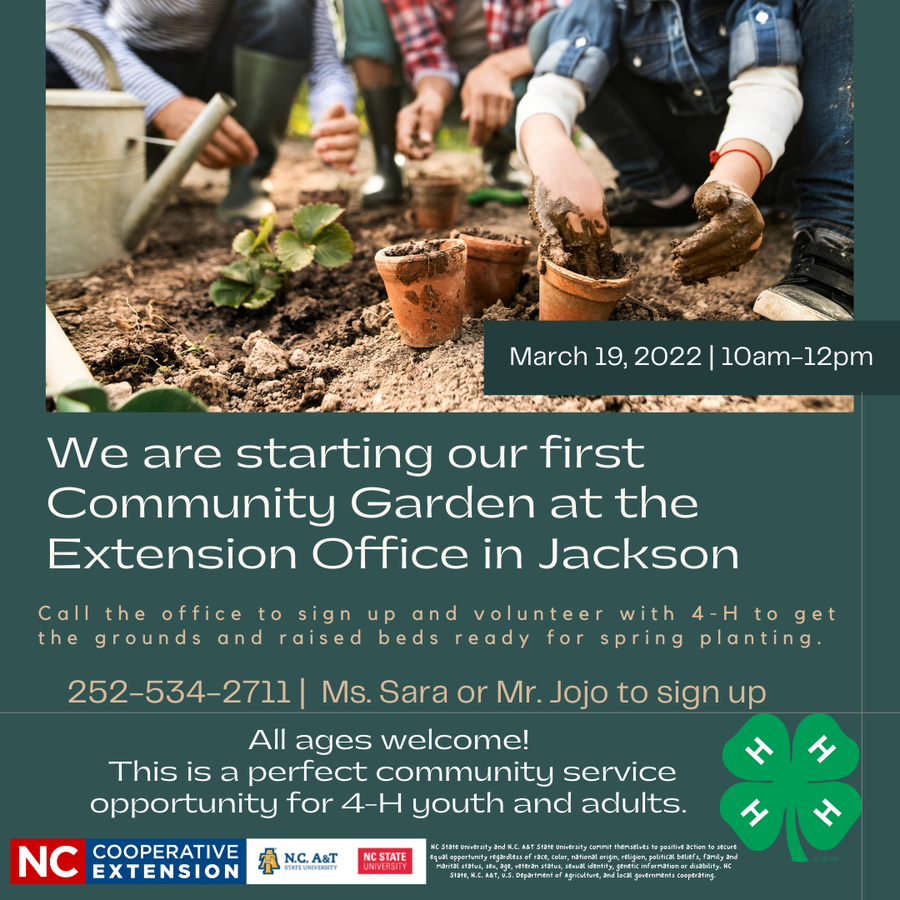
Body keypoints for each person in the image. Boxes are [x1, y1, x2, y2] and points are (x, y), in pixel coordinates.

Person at [516, 0, 854, 321]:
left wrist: (734, 178)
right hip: (699, 161)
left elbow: (767, 82)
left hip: (800, 152)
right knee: (550, 32)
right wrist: (552, 154)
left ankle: (837, 231)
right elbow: (556, 82)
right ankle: (668, 199)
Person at [46, 0, 361, 225]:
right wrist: (162, 105)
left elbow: (325, 64)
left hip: (225, 68)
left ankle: (248, 180)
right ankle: (137, 160)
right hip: (133, 64)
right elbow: (62, 11)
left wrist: (332, 112)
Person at [342, 0, 560, 206]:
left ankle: (499, 152)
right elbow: (426, 52)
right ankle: (386, 160)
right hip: (423, 84)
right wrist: (431, 96)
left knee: (557, 78)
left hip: (509, 86)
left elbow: (560, 32)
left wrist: (498, 69)